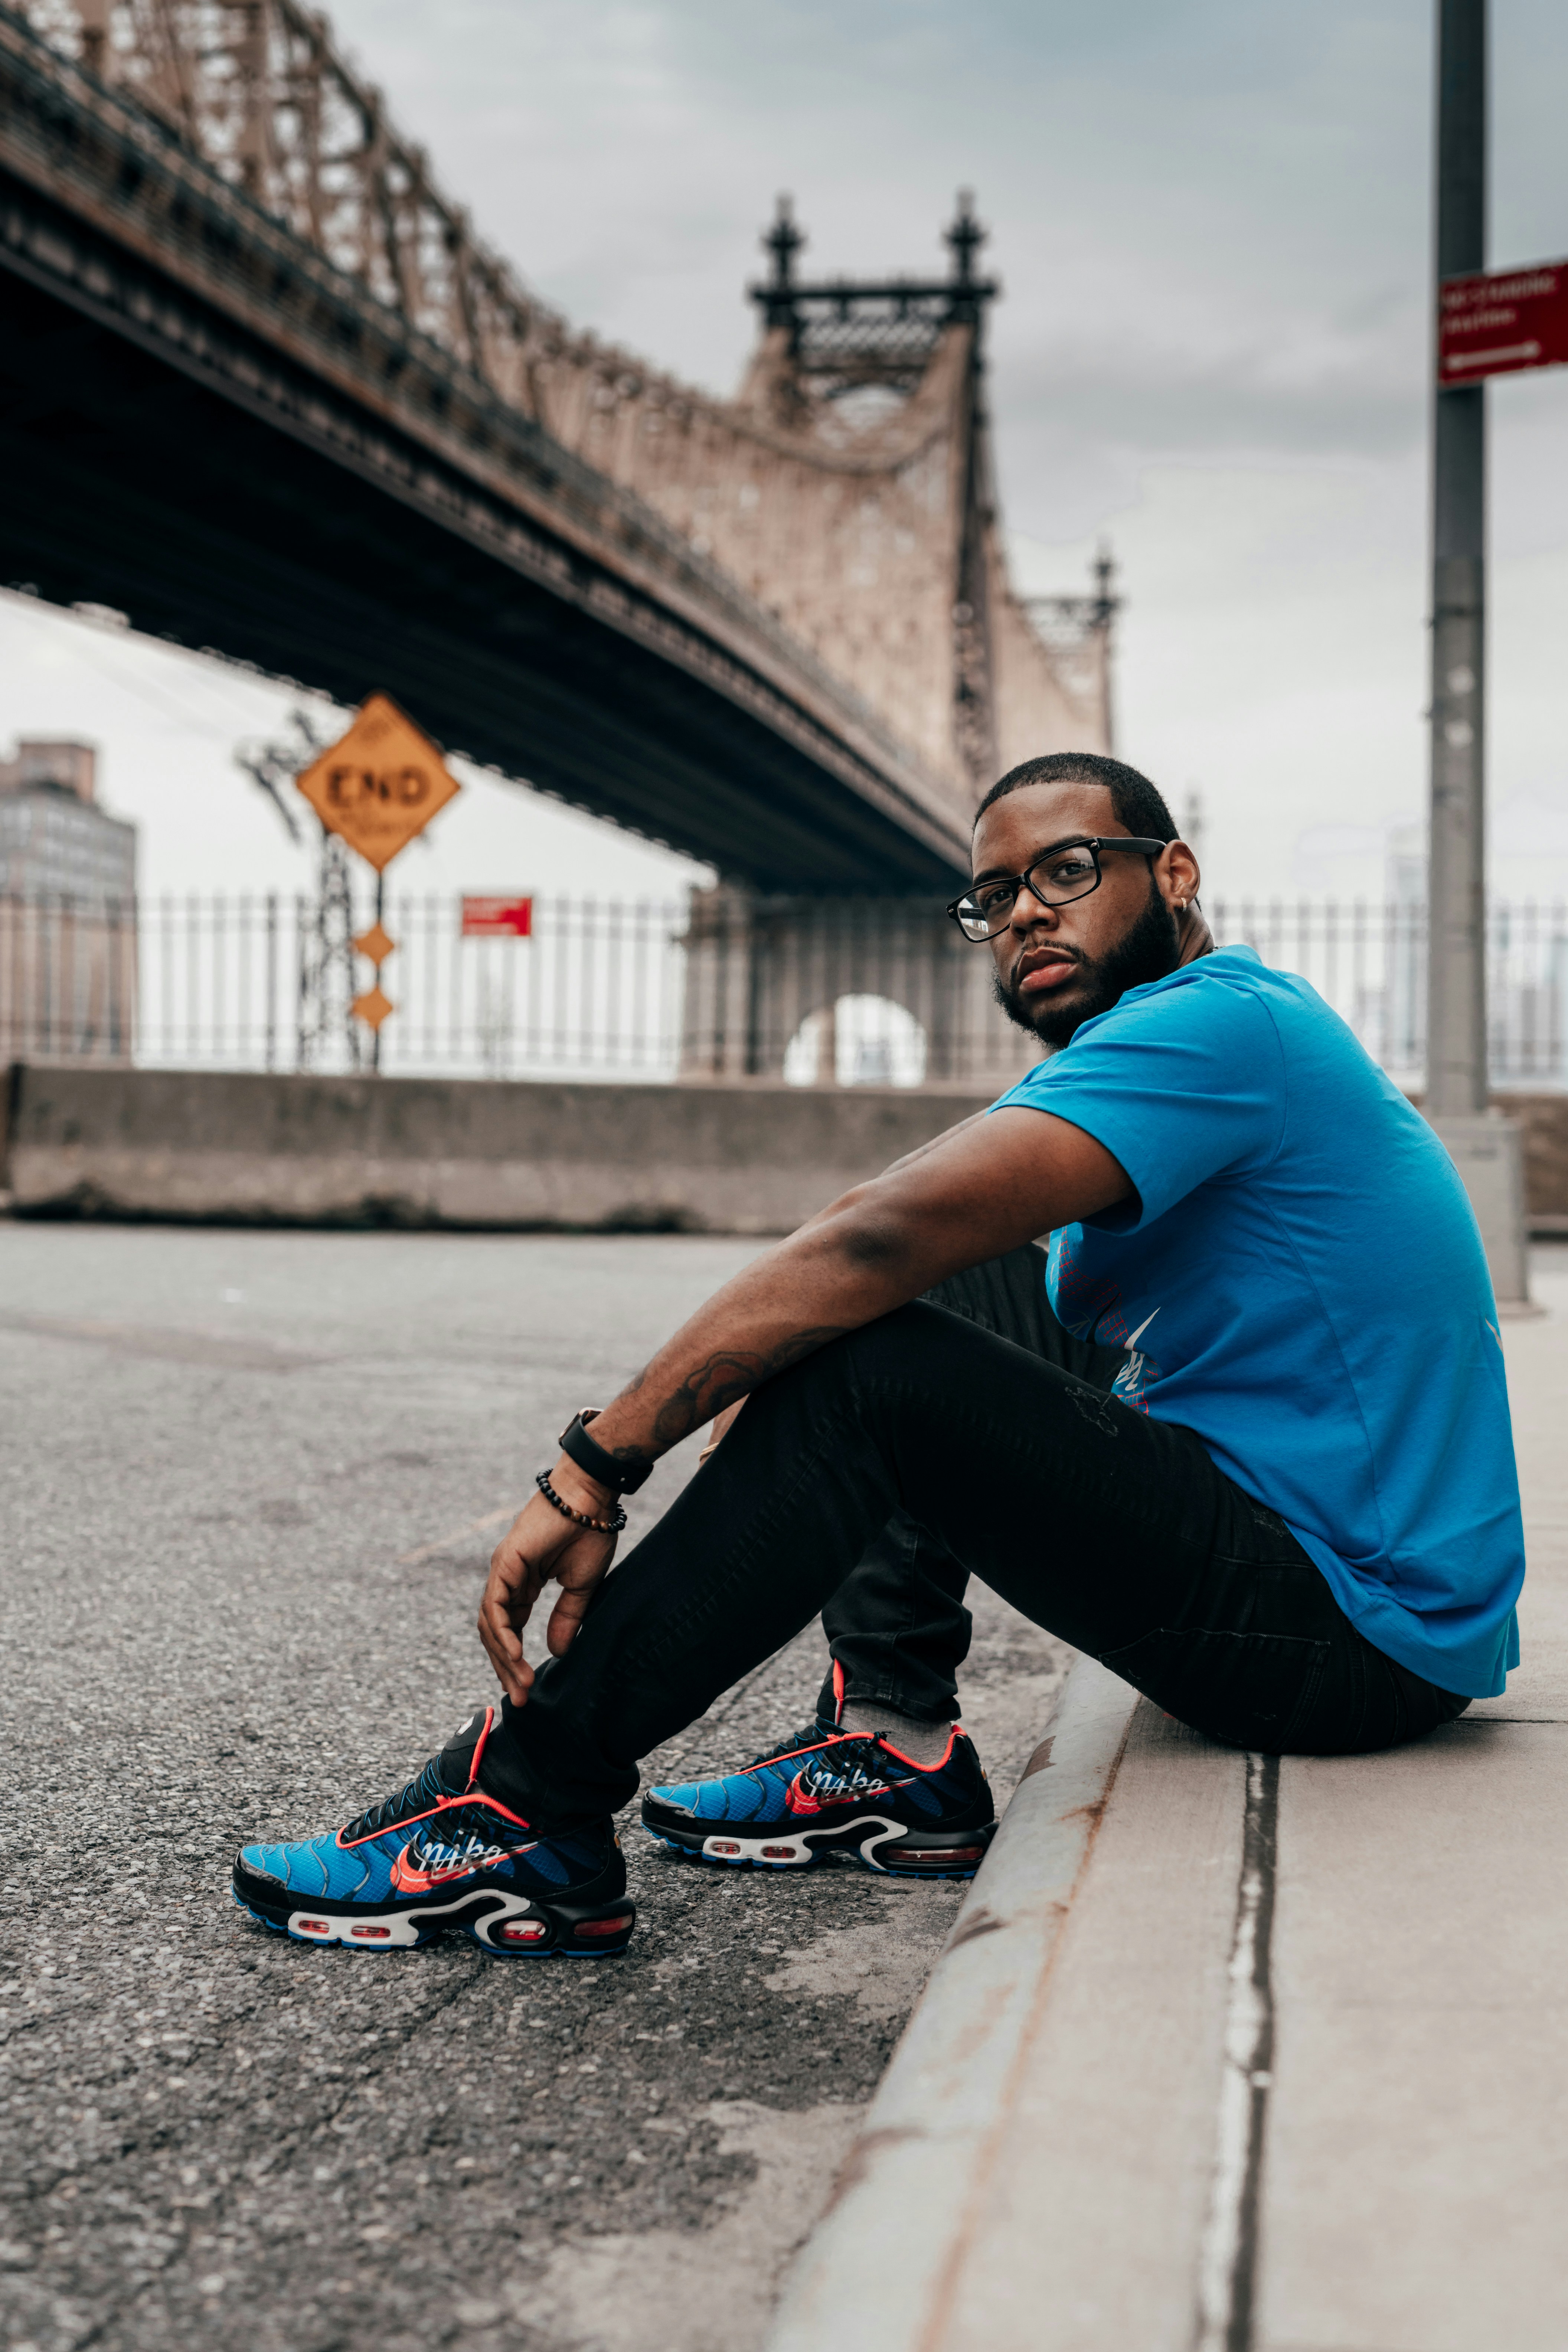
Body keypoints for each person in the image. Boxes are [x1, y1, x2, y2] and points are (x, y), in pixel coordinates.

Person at [233, 753, 1525, 1959]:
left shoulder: (1221, 1026)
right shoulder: (1194, 1048)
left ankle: (521, 1806)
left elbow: (867, 1242)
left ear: (1172, 876)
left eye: (1067, 872)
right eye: (995, 894)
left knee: (869, 1353)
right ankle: (895, 1746)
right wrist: (772, 1392)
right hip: (1312, 1586)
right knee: (904, 1304)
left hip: (1354, 1638)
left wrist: (596, 1464)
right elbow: (902, 1257)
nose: (1025, 914)